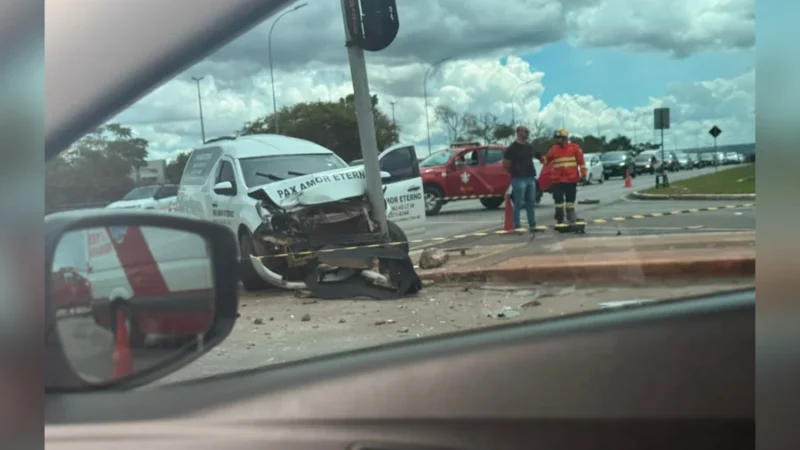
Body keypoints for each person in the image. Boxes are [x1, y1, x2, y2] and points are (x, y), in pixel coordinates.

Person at [542, 129, 587, 225]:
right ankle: (559, 216)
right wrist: (540, 158)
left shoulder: (575, 148)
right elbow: (546, 160)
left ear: (564, 138)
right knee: (558, 200)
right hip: (558, 180)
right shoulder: (554, 149)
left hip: (571, 179)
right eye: (556, 138)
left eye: (559, 138)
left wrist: (583, 174)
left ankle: (570, 215)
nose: (557, 140)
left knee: (570, 199)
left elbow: (581, 163)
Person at [502, 126, 542, 232]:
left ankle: (532, 225)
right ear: (519, 132)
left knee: (531, 202)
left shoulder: (530, 147)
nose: (527, 134)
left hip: (530, 178)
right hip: (518, 179)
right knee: (519, 203)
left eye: (528, 132)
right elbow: (505, 164)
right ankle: (517, 225)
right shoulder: (512, 148)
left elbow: (539, 156)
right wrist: (514, 172)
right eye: (525, 132)